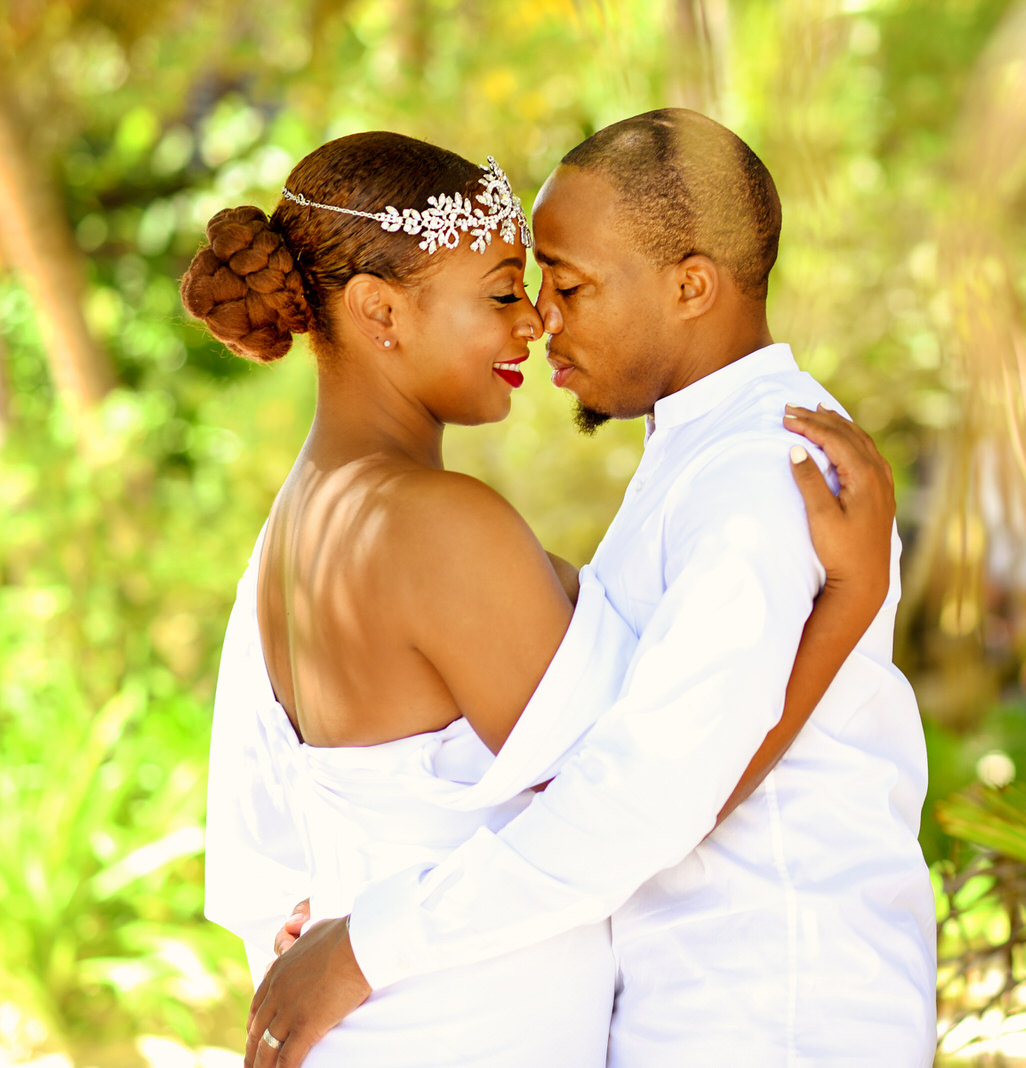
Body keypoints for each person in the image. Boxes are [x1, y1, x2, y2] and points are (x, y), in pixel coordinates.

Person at [185, 130, 899, 1066]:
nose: (535, 321)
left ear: (689, 287)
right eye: (507, 291)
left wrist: (334, 938)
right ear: (381, 312)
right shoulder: (438, 525)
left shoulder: (299, 528)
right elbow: (642, 790)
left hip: (757, 1016)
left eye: (561, 285)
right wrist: (851, 598)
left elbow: (259, 844)